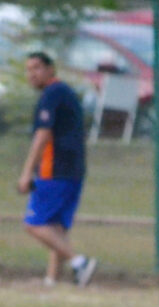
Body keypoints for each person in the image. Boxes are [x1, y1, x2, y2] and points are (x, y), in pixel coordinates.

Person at [16, 51, 97, 287]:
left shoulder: (51, 94)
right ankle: (52, 280)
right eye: (29, 69)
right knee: (56, 228)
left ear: (51, 69)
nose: (32, 74)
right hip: (74, 170)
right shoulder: (66, 93)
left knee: (34, 224)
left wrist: (26, 172)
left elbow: (43, 135)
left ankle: (79, 262)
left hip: (54, 169)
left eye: (37, 68)